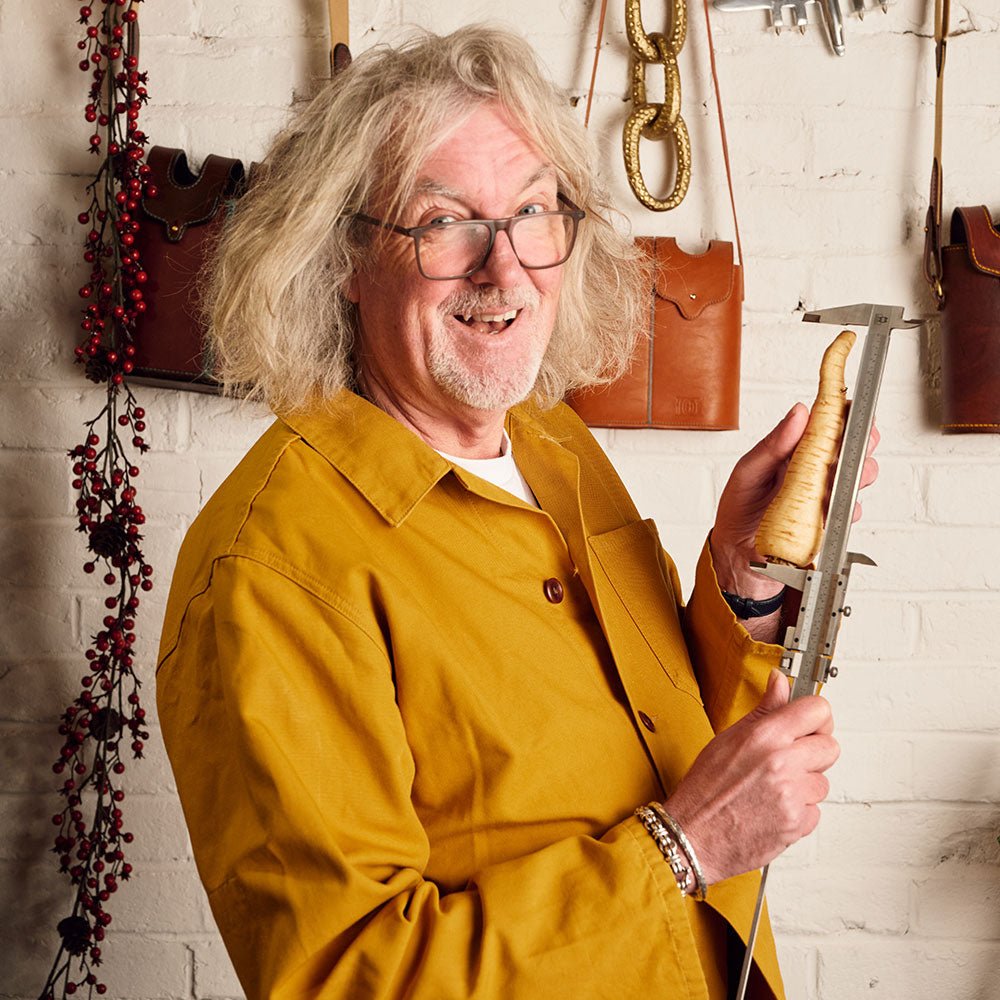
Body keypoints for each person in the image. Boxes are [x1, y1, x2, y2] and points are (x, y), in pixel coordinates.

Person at [156, 24, 871, 1000]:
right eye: (445, 222)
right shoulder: (272, 571)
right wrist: (677, 852)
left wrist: (740, 583)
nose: (506, 270)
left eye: (533, 211)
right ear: (341, 258)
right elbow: (347, 981)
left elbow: (663, 744)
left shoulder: (550, 444)